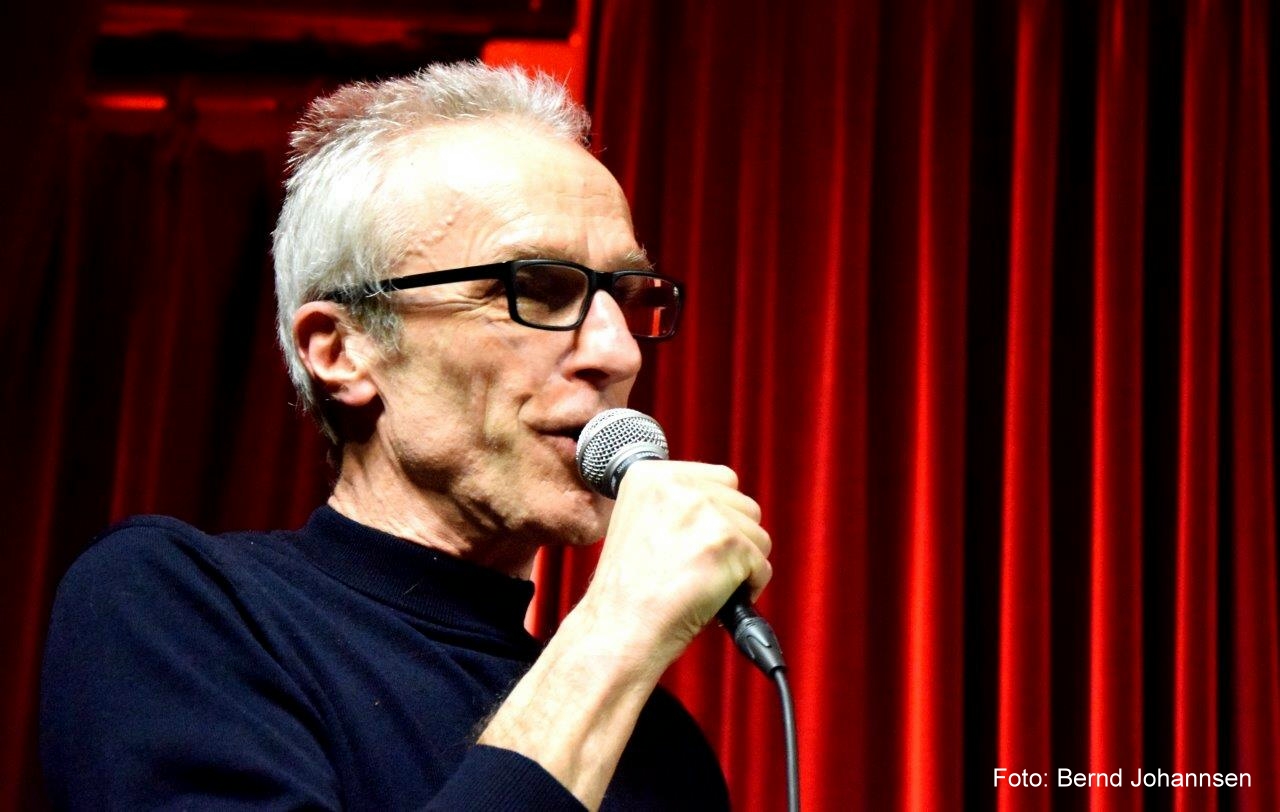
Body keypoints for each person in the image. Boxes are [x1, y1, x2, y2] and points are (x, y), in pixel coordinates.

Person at [41, 62, 773, 810]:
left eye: (628, 296)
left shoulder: (661, 752)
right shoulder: (173, 606)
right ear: (342, 349)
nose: (618, 354)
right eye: (535, 288)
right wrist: (614, 634)